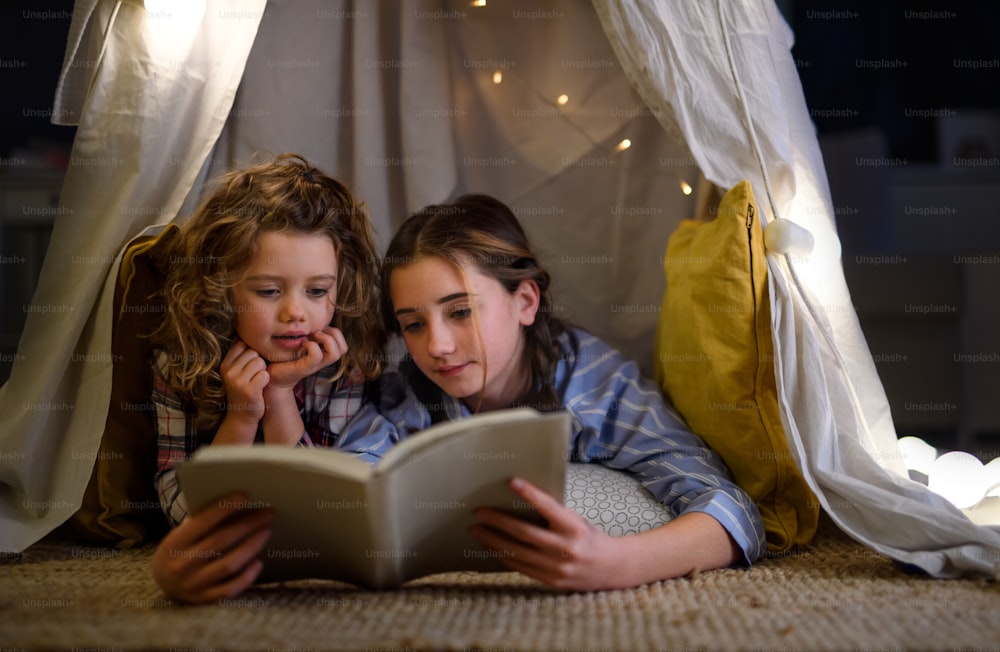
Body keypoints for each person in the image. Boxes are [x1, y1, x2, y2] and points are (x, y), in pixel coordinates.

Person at [338, 194, 766, 591]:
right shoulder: (406, 393)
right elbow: (347, 487)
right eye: (414, 324)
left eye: (461, 311)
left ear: (524, 302)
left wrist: (619, 563)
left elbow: (732, 511)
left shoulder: (597, 387)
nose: (437, 346)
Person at [148, 154, 384, 601]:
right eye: (269, 291)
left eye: (317, 291)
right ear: (221, 288)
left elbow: (323, 511)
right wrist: (240, 416)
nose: (296, 312)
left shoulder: (342, 365)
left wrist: (278, 396)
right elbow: (183, 514)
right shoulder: (178, 363)